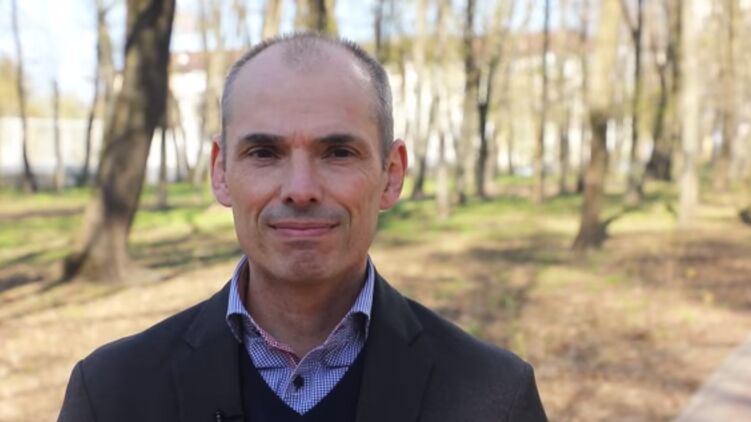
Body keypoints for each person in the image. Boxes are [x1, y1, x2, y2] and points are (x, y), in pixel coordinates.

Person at [58, 33, 547, 422]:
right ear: (221, 172)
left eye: (338, 152)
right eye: (264, 153)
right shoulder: (111, 393)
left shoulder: (493, 397)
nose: (300, 189)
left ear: (391, 175)